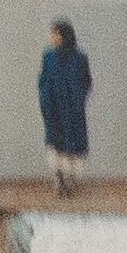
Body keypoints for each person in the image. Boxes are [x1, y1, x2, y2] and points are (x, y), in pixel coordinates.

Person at [36, 14, 94, 189]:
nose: (52, 38)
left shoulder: (80, 58)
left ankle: (73, 178)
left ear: (64, 35)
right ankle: (59, 177)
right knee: (55, 142)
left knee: (75, 144)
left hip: (74, 111)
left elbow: (87, 82)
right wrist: (46, 101)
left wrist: (78, 99)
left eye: (55, 34)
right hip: (53, 110)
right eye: (52, 34)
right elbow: (43, 80)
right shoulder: (48, 56)